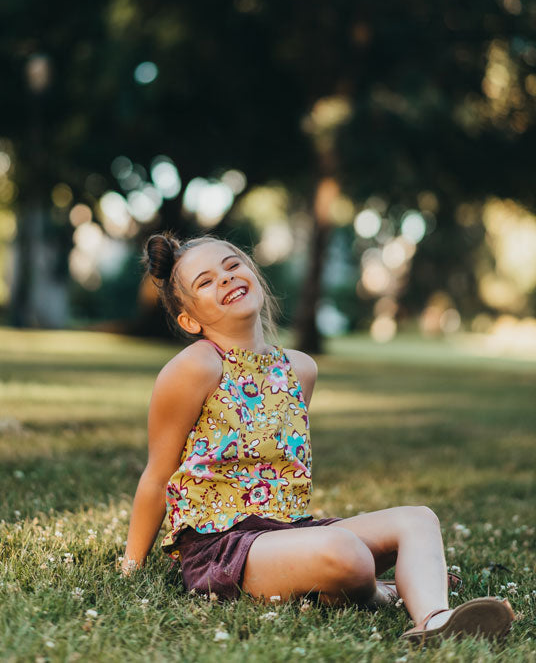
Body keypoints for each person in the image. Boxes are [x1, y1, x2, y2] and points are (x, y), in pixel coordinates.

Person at [121, 233, 515, 645]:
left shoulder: (299, 369)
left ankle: (434, 619)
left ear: (252, 272)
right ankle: (382, 594)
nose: (225, 278)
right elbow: (158, 473)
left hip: (291, 531)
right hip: (222, 547)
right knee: (347, 553)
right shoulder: (193, 368)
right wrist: (132, 566)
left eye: (232, 265)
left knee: (419, 519)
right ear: (190, 320)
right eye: (205, 281)